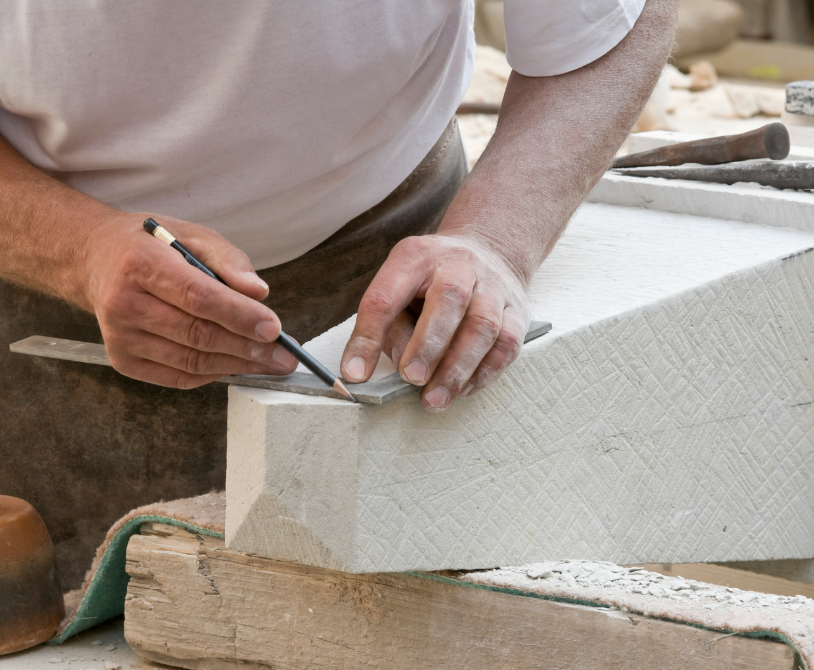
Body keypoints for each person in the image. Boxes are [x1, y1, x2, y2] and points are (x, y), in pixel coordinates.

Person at [0, 0, 677, 587]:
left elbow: (614, 22)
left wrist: (496, 238)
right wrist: (74, 247)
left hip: (386, 245)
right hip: (29, 278)